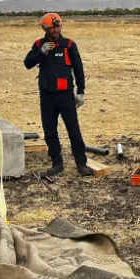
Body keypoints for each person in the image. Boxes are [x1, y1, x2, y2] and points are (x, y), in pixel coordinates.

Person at [24, 13, 94, 176]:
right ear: (44, 28)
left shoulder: (69, 45)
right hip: (46, 96)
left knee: (73, 130)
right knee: (49, 130)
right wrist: (41, 52)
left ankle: (81, 163)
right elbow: (27, 63)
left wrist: (80, 92)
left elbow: (78, 70)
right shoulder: (39, 44)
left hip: (66, 95)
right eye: (52, 27)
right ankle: (57, 163)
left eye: (58, 26)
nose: (56, 30)